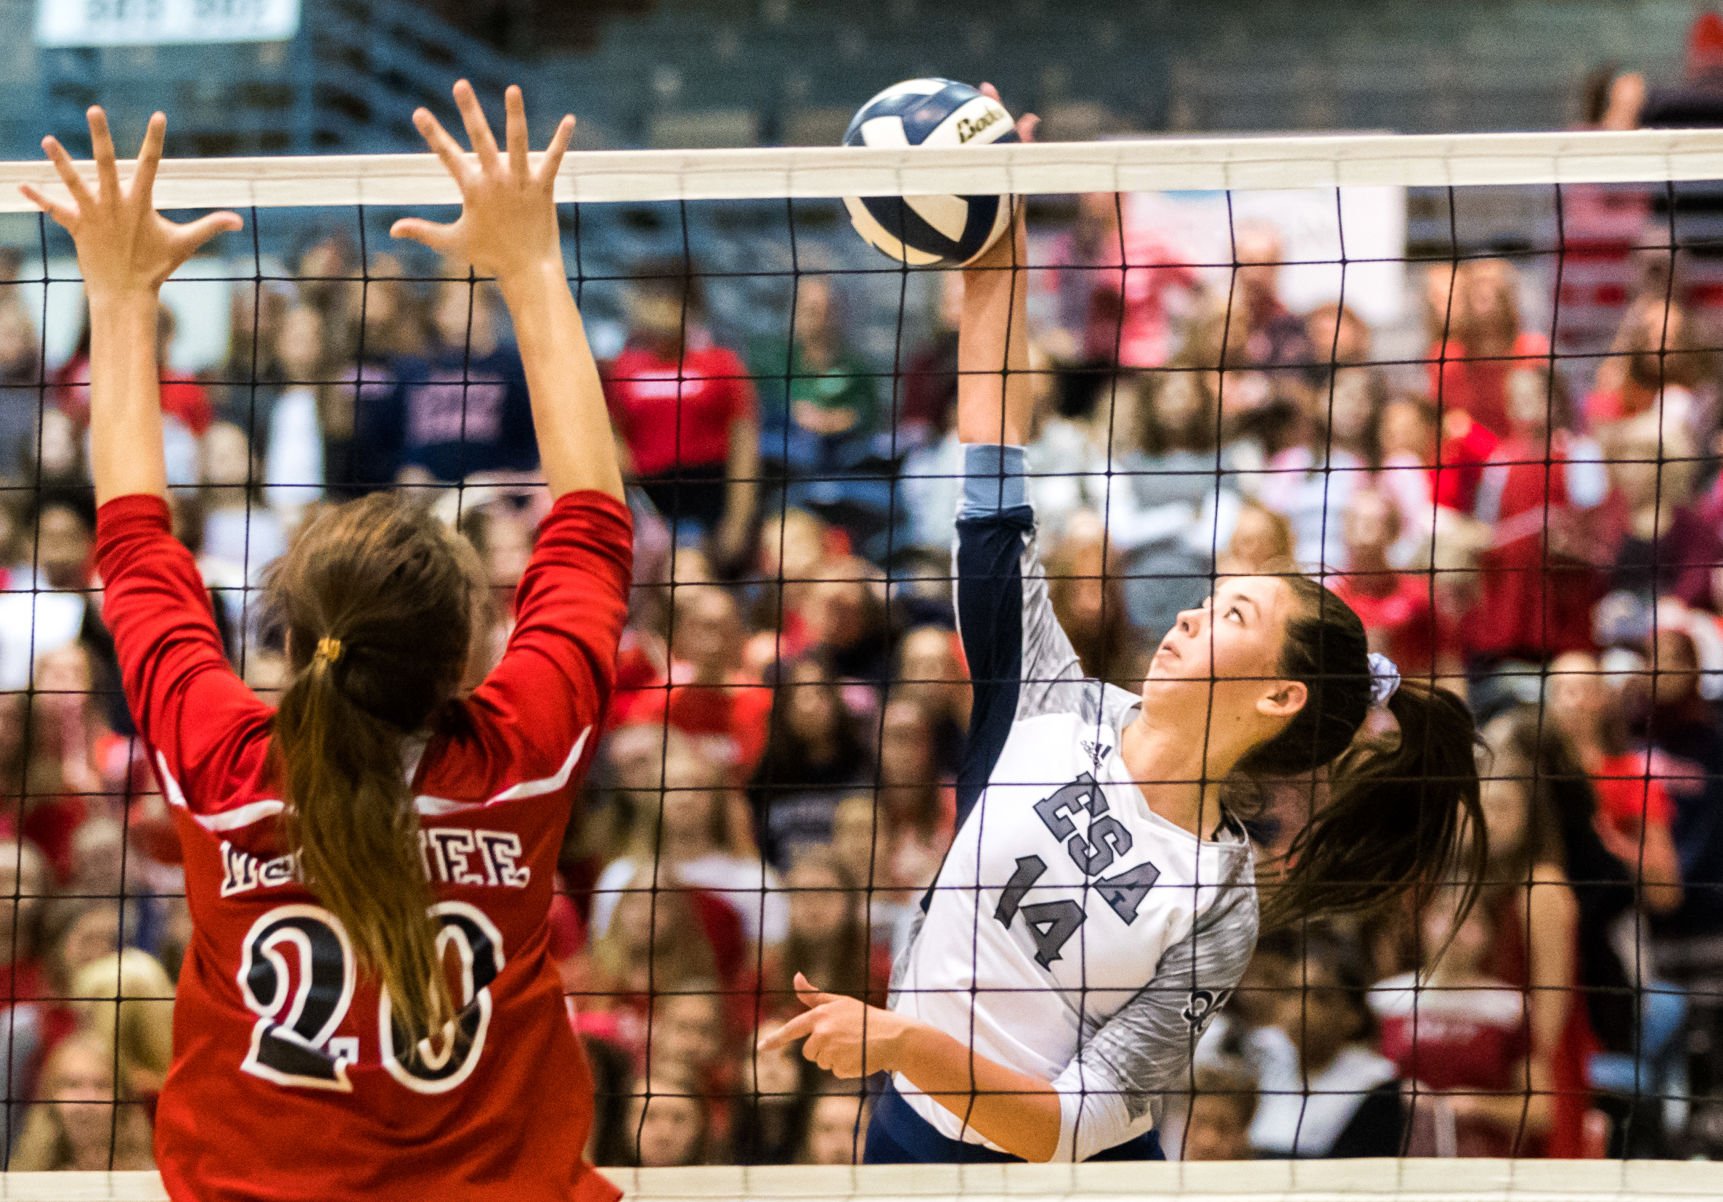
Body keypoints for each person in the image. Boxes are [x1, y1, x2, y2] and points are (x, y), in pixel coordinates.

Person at [761, 91, 1486, 1166]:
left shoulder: (1218, 901)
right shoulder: (1050, 700)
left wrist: (904, 1038)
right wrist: (994, 240)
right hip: (908, 1144)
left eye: (1233, 610)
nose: (1192, 608)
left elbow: (1068, 1127)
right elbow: (991, 479)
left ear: (1279, 696)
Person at [23, 83, 629, 1201]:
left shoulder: (223, 764)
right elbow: (589, 527)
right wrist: (533, 268)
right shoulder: (523, 752)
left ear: (296, 641)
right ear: (465, 658)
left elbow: (133, 543)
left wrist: (114, 292)